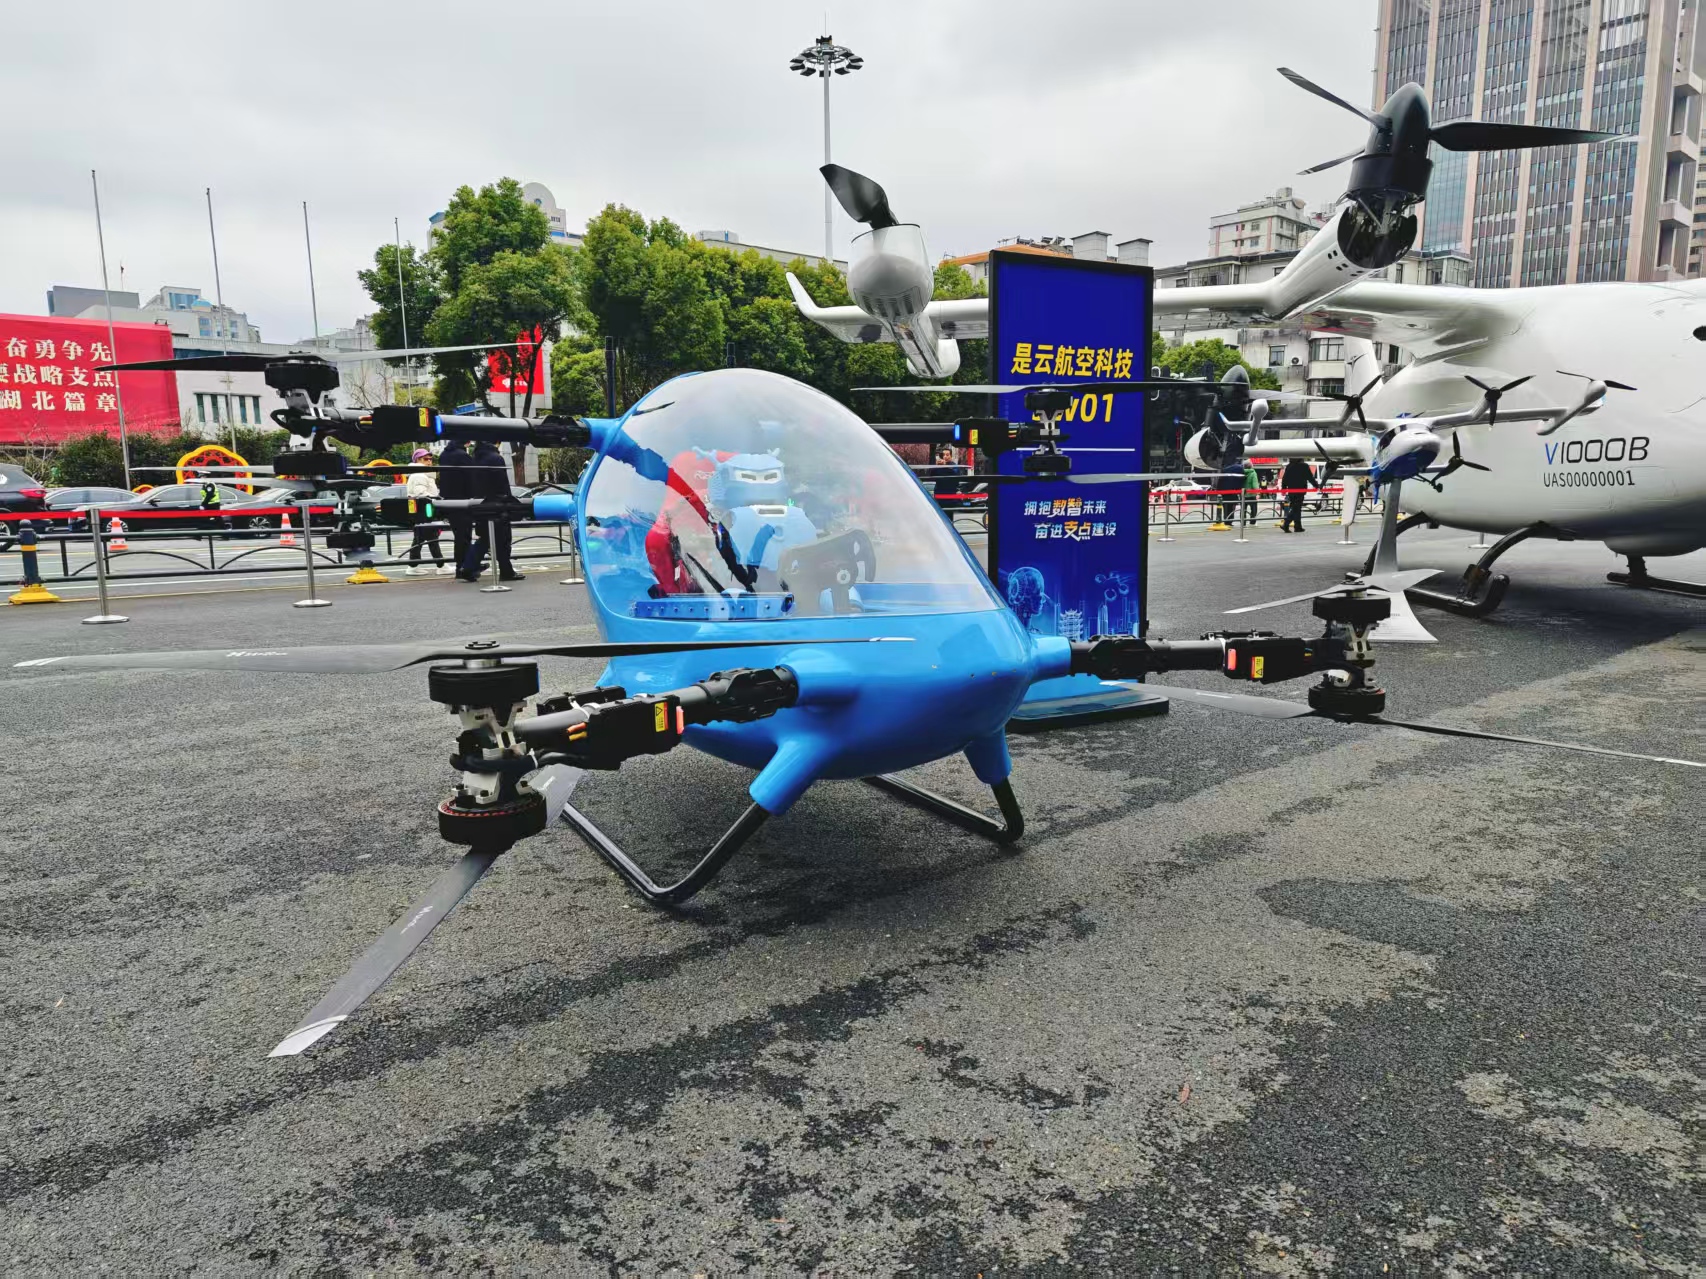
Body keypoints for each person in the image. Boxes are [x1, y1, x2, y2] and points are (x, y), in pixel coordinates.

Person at [461, 439, 523, 582]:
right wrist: (508, 502)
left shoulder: (475, 458)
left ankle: (468, 567)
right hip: (497, 504)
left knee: (485, 538)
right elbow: (502, 483)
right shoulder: (496, 458)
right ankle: (506, 571)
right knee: (503, 539)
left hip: (480, 503)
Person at [403, 449, 450, 575]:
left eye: (430, 459)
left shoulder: (423, 474)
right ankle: (441, 565)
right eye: (425, 459)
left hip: (422, 510)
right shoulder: (419, 474)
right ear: (417, 460)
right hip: (425, 509)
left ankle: (414, 566)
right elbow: (421, 494)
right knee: (430, 538)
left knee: (422, 539)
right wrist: (437, 500)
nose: (429, 462)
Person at [437, 439, 475, 578]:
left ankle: (461, 566)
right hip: (463, 500)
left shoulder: (444, 455)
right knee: (465, 536)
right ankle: (465, 567)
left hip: (449, 500)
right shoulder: (463, 456)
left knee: (459, 535)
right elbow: (471, 478)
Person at [1280, 457, 1315, 532]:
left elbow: (1284, 478)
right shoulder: (1304, 466)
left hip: (1291, 491)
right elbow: (1310, 477)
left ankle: (1297, 526)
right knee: (1296, 508)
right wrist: (1317, 486)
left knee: (1296, 508)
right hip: (1300, 490)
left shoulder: (1289, 466)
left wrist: (1283, 488)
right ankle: (1286, 524)